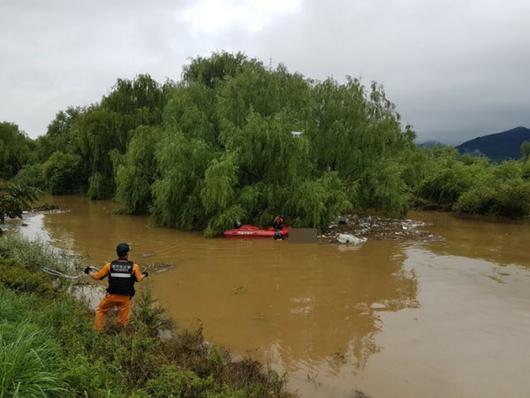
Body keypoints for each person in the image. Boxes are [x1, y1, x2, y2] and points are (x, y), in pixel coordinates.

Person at [84, 242, 148, 331]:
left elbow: (97, 277)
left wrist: (88, 271)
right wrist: (145, 274)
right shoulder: (134, 266)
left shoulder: (109, 266)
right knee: (123, 320)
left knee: (101, 311)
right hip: (125, 298)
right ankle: (120, 333)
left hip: (111, 296)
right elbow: (139, 279)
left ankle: (98, 331)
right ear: (127, 254)